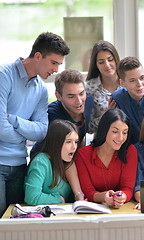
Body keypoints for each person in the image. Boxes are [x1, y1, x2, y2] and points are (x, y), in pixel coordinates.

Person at [0, 32, 69, 217]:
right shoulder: (3, 76)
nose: (56, 70)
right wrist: (24, 134)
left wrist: (14, 120)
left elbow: (41, 132)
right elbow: (0, 127)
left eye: (59, 65)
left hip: (20, 164)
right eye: (54, 63)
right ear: (38, 56)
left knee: (18, 224)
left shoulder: (41, 90)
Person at [75, 108, 138, 208]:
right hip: (93, 211)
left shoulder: (130, 151)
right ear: (104, 130)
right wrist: (103, 197)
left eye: (124, 132)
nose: (120, 138)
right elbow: (87, 191)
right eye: (115, 131)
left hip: (121, 210)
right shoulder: (83, 155)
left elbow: (128, 188)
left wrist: (122, 197)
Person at [25, 120, 79, 205]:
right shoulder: (40, 161)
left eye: (76, 142)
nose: (74, 147)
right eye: (68, 142)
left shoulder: (68, 162)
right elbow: (32, 197)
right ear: (56, 142)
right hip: (41, 216)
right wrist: (59, 199)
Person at [112, 57, 144, 144]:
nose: (139, 84)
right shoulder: (117, 99)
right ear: (122, 83)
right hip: (131, 148)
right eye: (132, 80)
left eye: (142, 78)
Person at [85, 40, 121, 134]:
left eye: (110, 60)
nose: (107, 65)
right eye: (101, 62)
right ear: (96, 65)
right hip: (102, 143)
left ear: (116, 59)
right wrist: (107, 115)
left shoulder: (128, 83)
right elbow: (89, 128)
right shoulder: (89, 88)